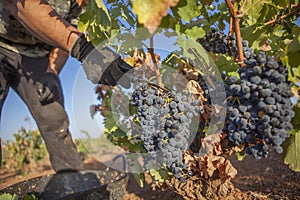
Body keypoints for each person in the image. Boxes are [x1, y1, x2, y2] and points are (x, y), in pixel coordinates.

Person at [0, 0, 132, 172]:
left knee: (53, 117)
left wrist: (51, 72)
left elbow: (68, 28)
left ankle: (72, 185)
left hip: (36, 54)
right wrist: (82, 49)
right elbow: (19, 4)